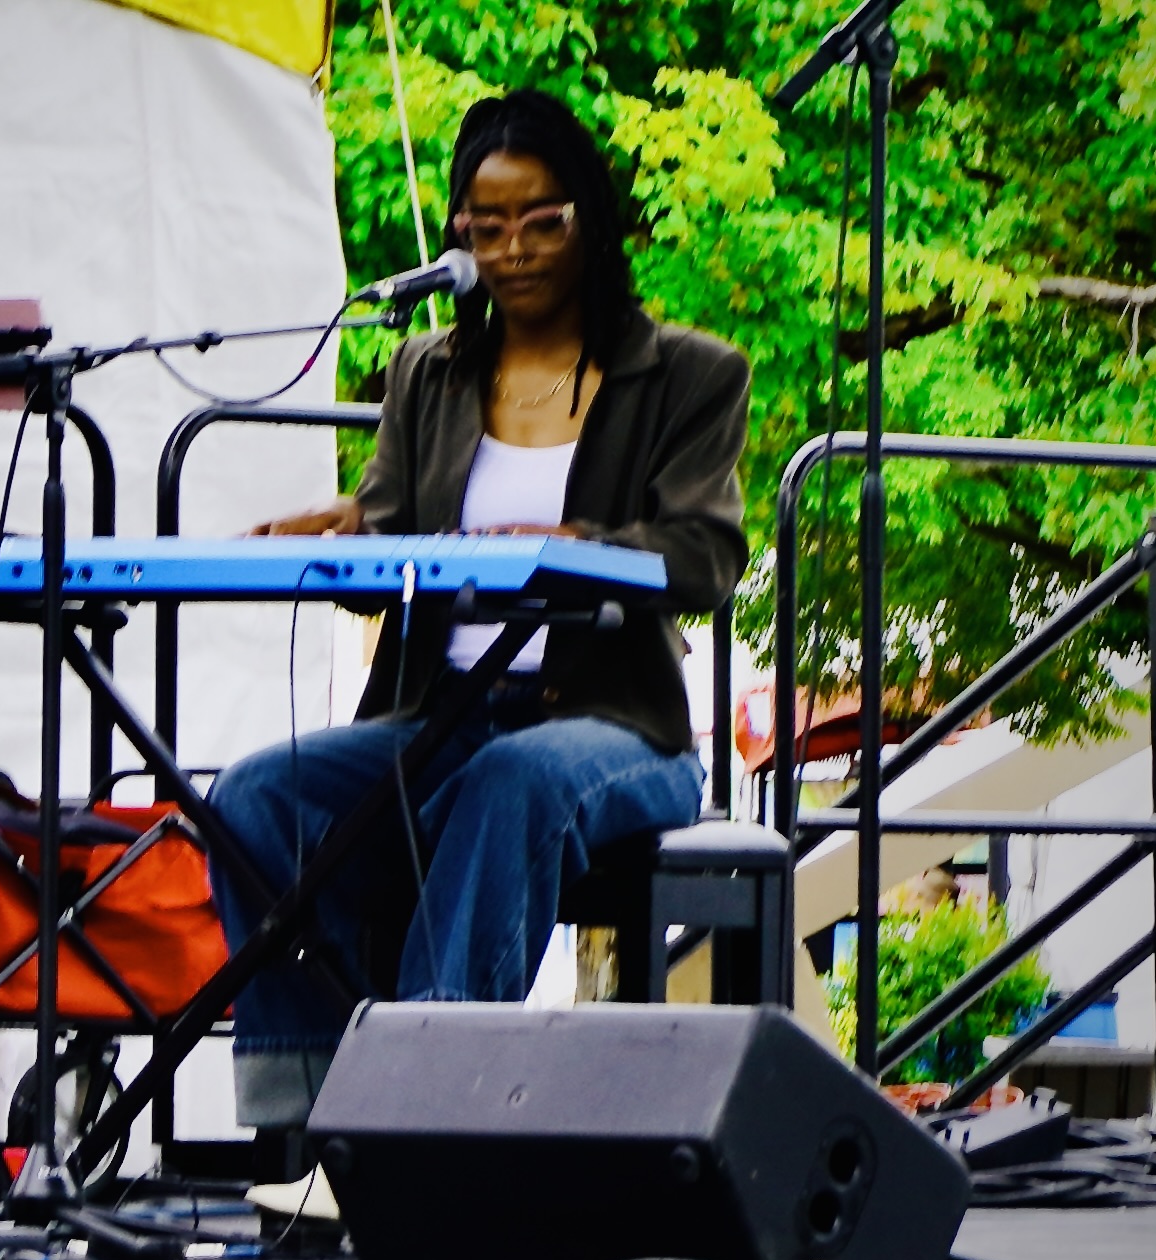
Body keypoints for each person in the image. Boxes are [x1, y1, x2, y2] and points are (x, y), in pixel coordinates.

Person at [206, 88, 752, 1132]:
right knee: (255, 800)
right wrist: (346, 530)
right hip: (440, 713)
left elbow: (704, 555)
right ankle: (301, 1117)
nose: (513, 247)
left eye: (540, 219)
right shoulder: (430, 371)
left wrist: (578, 551)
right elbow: (399, 522)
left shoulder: (685, 374)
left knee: (513, 781)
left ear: (589, 217)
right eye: (485, 225)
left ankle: (425, 1114)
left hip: (614, 730)